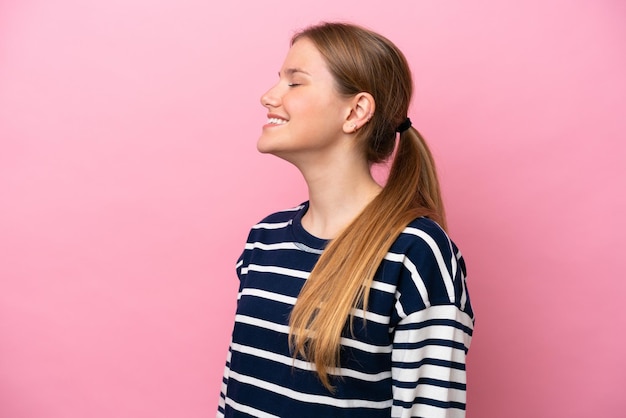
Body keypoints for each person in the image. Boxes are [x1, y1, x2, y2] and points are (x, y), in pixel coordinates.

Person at [217, 22, 474, 418]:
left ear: (355, 111)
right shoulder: (263, 240)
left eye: (294, 83)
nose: (268, 97)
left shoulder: (415, 252)